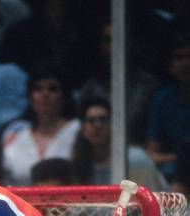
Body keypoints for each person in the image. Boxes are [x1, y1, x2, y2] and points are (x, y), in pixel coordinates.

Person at [2, 63, 80, 185]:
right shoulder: (16, 136)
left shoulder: (78, 130)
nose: (45, 94)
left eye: (52, 89)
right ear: (30, 97)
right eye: (38, 89)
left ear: (64, 95)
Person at [72, 97, 168, 191]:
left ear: (113, 125)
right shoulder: (79, 164)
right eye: (91, 120)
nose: (98, 125)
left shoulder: (137, 160)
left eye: (103, 119)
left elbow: (153, 200)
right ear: (83, 129)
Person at [146, 32, 190, 183]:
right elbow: (152, 155)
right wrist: (182, 158)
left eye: (188, 56)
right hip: (170, 176)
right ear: (170, 66)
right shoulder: (162, 100)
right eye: (179, 58)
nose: (186, 63)